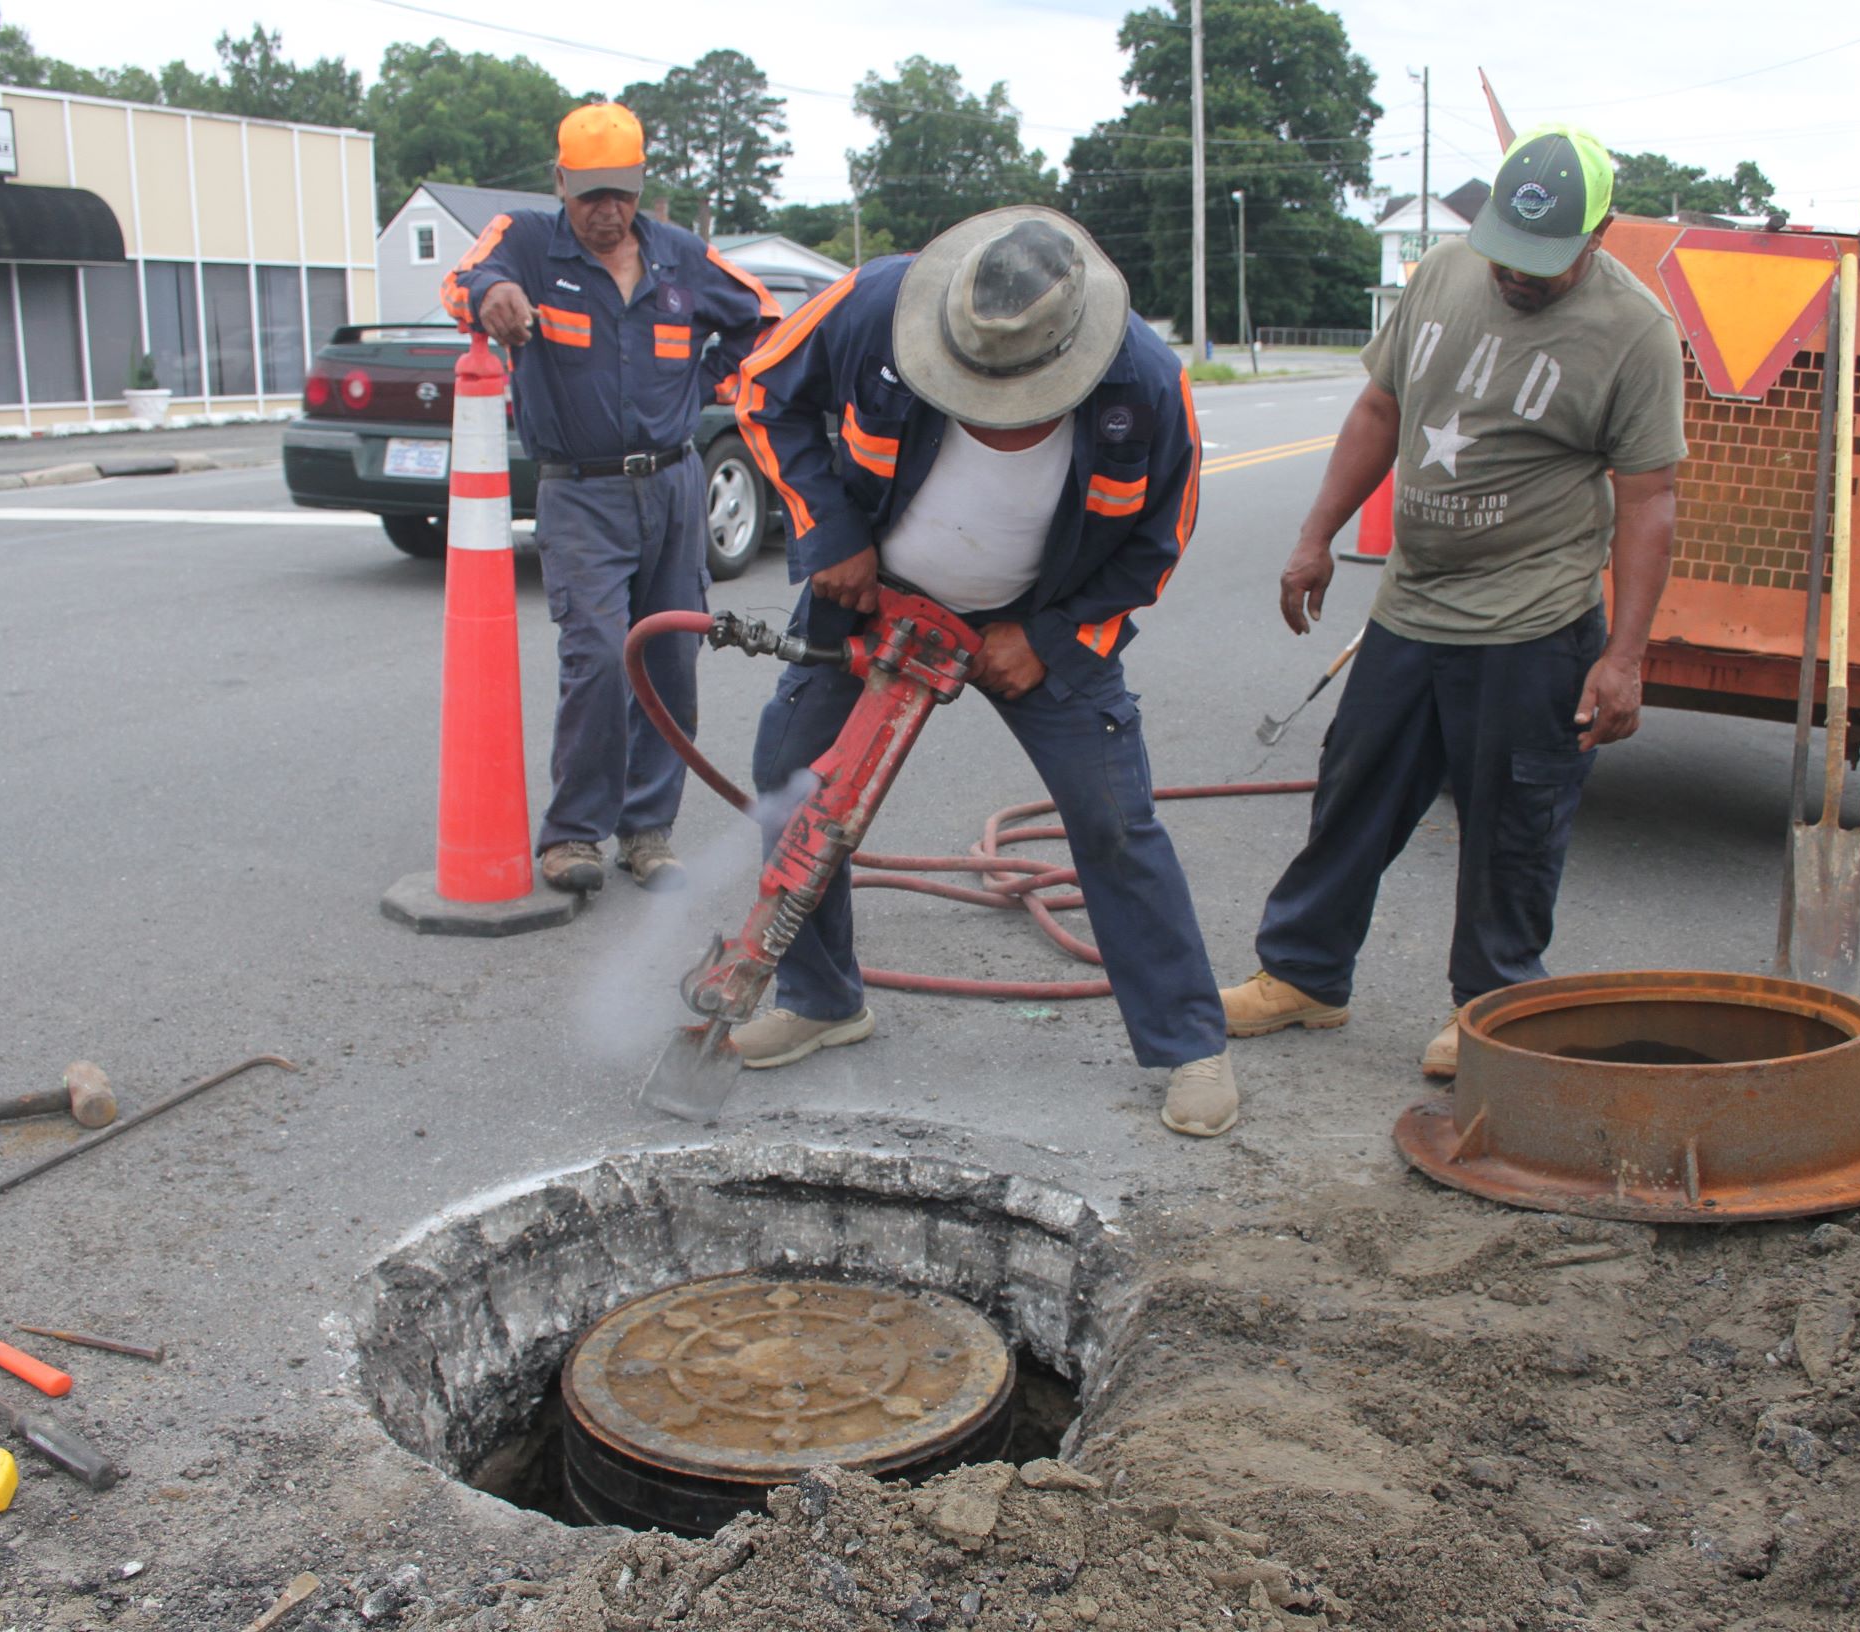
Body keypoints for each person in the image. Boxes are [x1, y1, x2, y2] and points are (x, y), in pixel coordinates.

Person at [729, 206, 1241, 1137]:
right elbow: (764, 392)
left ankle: (1187, 1045)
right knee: (793, 785)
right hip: (872, 594)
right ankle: (820, 999)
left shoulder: (1145, 383)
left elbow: (1157, 543)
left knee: (1112, 823)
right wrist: (830, 534)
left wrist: (1050, 639)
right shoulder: (877, 304)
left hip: (1042, 624)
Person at [1220, 124, 1685, 1078]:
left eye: (1543, 266)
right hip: (1411, 604)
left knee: (1512, 821)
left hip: (1535, 619)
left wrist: (1625, 655)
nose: (1518, 279)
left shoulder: (1634, 332)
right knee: (1353, 791)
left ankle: (1491, 1007)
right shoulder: (1438, 274)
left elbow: (1649, 501)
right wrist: (1315, 537)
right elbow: (1381, 410)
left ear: (1596, 235)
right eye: (1505, 259)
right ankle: (1304, 975)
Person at [443, 102, 781, 899]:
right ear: (560, 181)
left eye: (620, 193)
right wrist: (491, 295)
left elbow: (762, 320)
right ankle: (572, 836)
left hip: (673, 485)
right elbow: (462, 281)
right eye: (589, 193)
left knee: (669, 660)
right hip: (581, 491)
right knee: (596, 657)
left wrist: (706, 387)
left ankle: (646, 831)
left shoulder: (682, 257)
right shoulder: (527, 242)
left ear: (639, 186)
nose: (605, 211)